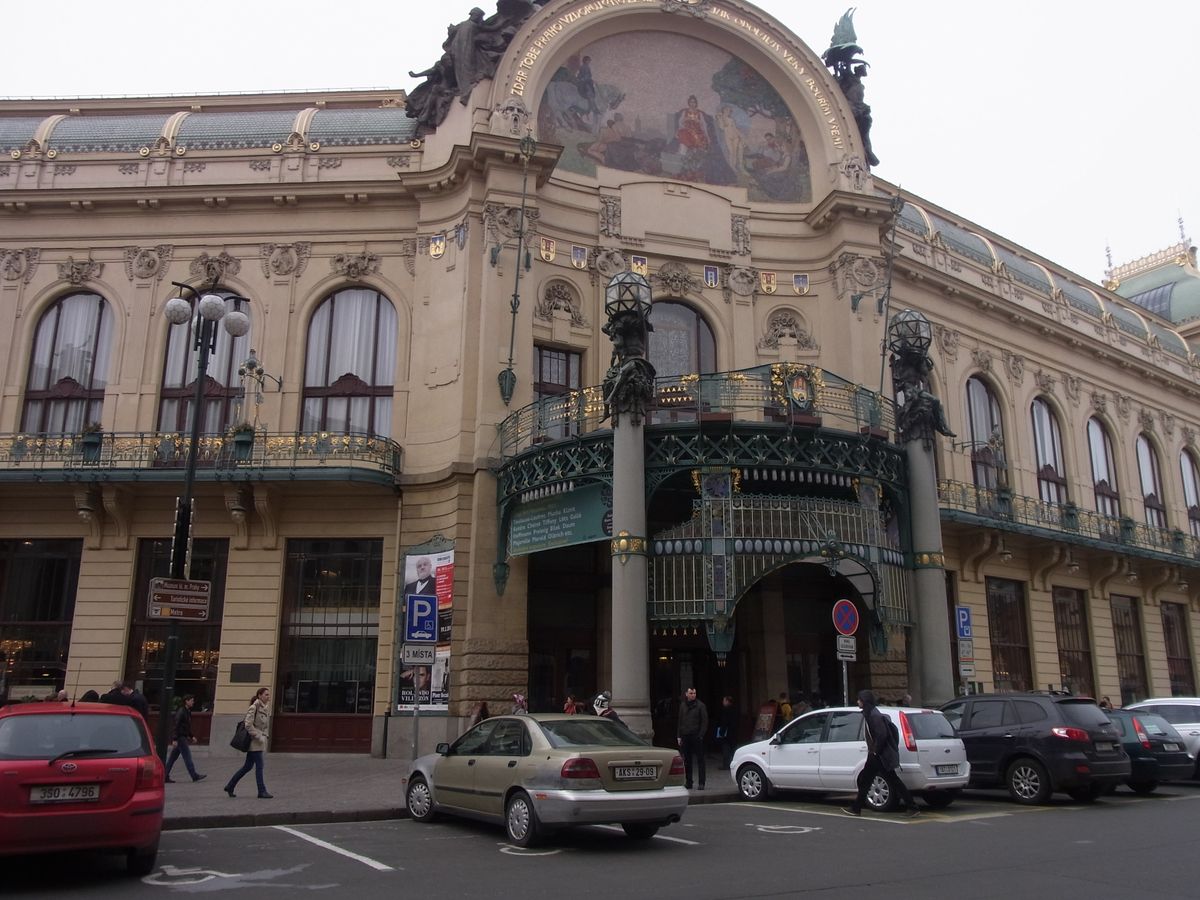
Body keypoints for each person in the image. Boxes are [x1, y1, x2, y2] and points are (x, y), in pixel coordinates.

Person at [843, 689, 919, 817]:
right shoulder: (870, 713)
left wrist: (875, 751)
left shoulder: (874, 715)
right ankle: (856, 807)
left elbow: (882, 734)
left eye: (859, 700)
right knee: (867, 780)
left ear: (864, 701)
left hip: (879, 755)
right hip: (876, 754)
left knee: (889, 780)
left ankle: (912, 807)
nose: (857, 702)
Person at [224, 687, 273, 799]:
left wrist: (265, 735)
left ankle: (230, 786)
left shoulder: (264, 708)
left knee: (247, 767)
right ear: (259, 695)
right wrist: (258, 736)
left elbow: (264, 725)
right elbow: (248, 725)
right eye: (266, 695)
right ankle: (261, 791)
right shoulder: (254, 707)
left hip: (259, 741)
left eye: (268, 695)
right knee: (259, 766)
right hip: (254, 742)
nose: (268, 697)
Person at [164, 694, 206, 783]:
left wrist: (191, 736)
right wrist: (175, 739)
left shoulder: (187, 711)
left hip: (182, 736)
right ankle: (194, 775)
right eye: (191, 700)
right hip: (180, 738)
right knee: (187, 757)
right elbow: (176, 725)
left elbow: (186, 726)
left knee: (172, 758)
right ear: (186, 701)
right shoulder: (181, 711)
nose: (193, 702)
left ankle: (164, 775)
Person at [677, 687, 709, 791]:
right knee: (687, 760)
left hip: (696, 735)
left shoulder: (700, 706)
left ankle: (701, 782)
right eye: (691, 693)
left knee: (700, 760)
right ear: (686, 694)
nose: (693, 695)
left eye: (694, 693)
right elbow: (680, 721)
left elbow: (704, 722)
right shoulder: (683, 705)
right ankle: (689, 782)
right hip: (685, 735)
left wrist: (700, 735)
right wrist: (679, 736)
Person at [715, 695, 738, 768]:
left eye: (724, 701)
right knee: (733, 748)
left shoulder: (725, 710)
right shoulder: (735, 709)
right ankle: (735, 763)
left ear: (727, 701)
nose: (723, 702)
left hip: (727, 732)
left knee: (726, 748)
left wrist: (721, 732)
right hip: (734, 732)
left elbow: (724, 722)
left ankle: (726, 764)